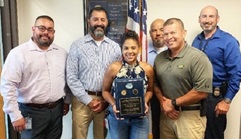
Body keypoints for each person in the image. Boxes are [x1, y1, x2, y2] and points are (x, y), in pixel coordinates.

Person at [0, 15, 71, 139]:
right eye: (41, 28)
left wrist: (66, 102)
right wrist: (15, 116)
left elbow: (67, 80)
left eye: (50, 30)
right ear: (33, 29)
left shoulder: (62, 53)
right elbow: (8, 86)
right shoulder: (18, 54)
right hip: (30, 112)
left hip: (56, 110)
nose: (46, 32)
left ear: (53, 32)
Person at [66, 6, 122, 139]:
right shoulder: (77, 45)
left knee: (101, 136)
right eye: (95, 19)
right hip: (81, 101)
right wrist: (88, 101)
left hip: (105, 101)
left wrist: (106, 102)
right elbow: (71, 77)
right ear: (88, 21)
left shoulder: (115, 48)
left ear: (107, 22)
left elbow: (118, 78)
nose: (99, 23)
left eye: (103, 20)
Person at [153, 18, 213, 139]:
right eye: (165, 34)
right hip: (166, 116)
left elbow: (201, 91)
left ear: (183, 33)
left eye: (173, 33)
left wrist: (173, 103)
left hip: (190, 117)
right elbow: (155, 84)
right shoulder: (159, 58)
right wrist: (163, 103)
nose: (169, 37)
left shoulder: (197, 58)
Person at [192, 5, 241, 139]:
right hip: (196, 96)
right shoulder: (196, 41)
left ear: (217, 19)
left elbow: (237, 73)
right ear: (199, 19)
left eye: (211, 16)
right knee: (196, 134)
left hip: (216, 97)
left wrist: (227, 101)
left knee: (213, 136)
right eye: (204, 16)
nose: (207, 20)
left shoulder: (228, 41)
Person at [102, 30, 154, 139]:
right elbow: (105, 91)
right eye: (126, 48)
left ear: (139, 48)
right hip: (117, 118)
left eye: (133, 48)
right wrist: (113, 104)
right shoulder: (113, 68)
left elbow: (150, 90)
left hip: (140, 119)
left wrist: (145, 101)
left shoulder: (147, 69)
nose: (129, 51)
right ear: (121, 49)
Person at [148, 18, 167, 139]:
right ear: (150, 34)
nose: (158, 33)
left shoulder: (173, 50)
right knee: (155, 126)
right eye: (154, 30)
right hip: (152, 96)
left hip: (170, 95)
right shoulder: (143, 52)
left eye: (161, 30)